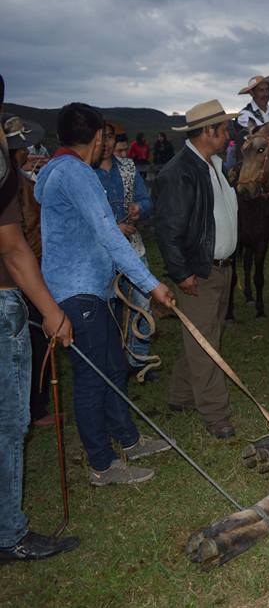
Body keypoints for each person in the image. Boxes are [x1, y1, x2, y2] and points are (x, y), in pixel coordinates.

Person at [34, 102, 175, 483]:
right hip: (78, 292)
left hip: (88, 290)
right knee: (93, 376)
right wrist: (152, 284)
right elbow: (109, 234)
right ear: (97, 137)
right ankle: (101, 464)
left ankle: (127, 440)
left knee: (112, 366)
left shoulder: (56, 170)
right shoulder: (78, 174)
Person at [0, 92, 80, 560]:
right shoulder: (7, 175)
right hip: (5, 297)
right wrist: (50, 310)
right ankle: (9, 534)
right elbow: (12, 247)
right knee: (10, 424)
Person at [154, 100, 239, 439]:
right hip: (199, 272)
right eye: (223, 128)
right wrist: (181, 273)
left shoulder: (213, 164)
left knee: (204, 335)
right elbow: (167, 228)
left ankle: (180, 395)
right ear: (208, 132)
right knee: (207, 345)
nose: (228, 133)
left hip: (220, 268)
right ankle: (216, 415)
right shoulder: (178, 172)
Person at [95, 121, 157, 381]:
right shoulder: (86, 172)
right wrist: (113, 228)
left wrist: (139, 209)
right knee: (107, 305)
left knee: (142, 301)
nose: (107, 143)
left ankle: (137, 359)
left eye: (111, 138)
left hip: (133, 247)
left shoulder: (129, 168)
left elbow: (146, 200)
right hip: (99, 252)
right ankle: (111, 364)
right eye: (102, 138)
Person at [3, 114, 54, 426]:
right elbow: (22, 236)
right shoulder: (16, 186)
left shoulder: (19, 181)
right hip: (25, 272)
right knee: (34, 341)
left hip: (24, 270)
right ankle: (36, 409)